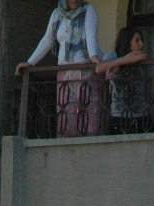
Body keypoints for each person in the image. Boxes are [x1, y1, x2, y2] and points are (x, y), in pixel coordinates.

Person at [17, 0, 105, 139]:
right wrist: (30, 62)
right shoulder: (57, 14)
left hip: (84, 69)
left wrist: (93, 56)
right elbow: (47, 39)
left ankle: (89, 142)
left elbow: (90, 34)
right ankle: (66, 142)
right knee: (66, 110)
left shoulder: (88, 10)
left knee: (86, 110)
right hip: (64, 71)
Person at [96, 26, 153, 135]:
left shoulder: (141, 58)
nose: (141, 44)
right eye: (137, 40)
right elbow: (99, 68)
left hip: (142, 116)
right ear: (127, 42)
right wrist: (125, 60)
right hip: (119, 115)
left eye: (141, 40)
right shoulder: (113, 56)